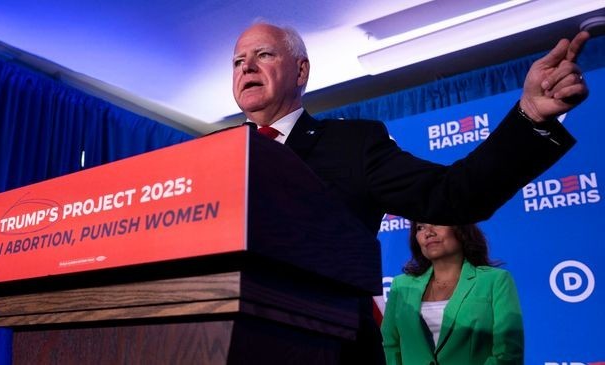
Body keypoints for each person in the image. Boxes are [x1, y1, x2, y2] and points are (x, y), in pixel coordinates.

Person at [228, 21, 589, 364]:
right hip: (218, 341)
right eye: (238, 61)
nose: (247, 68)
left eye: (263, 55)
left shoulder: (352, 144)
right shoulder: (210, 155)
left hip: (328, 347)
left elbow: (453, 194)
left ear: (301, 71)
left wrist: (530, 117)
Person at [381, 223, 524, 364]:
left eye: (437, 223)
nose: (428, 233)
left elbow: (508, 352)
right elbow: (390, 345)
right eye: (420, 228)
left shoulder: (495, 280)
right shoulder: (400, 286)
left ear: (460, 228)